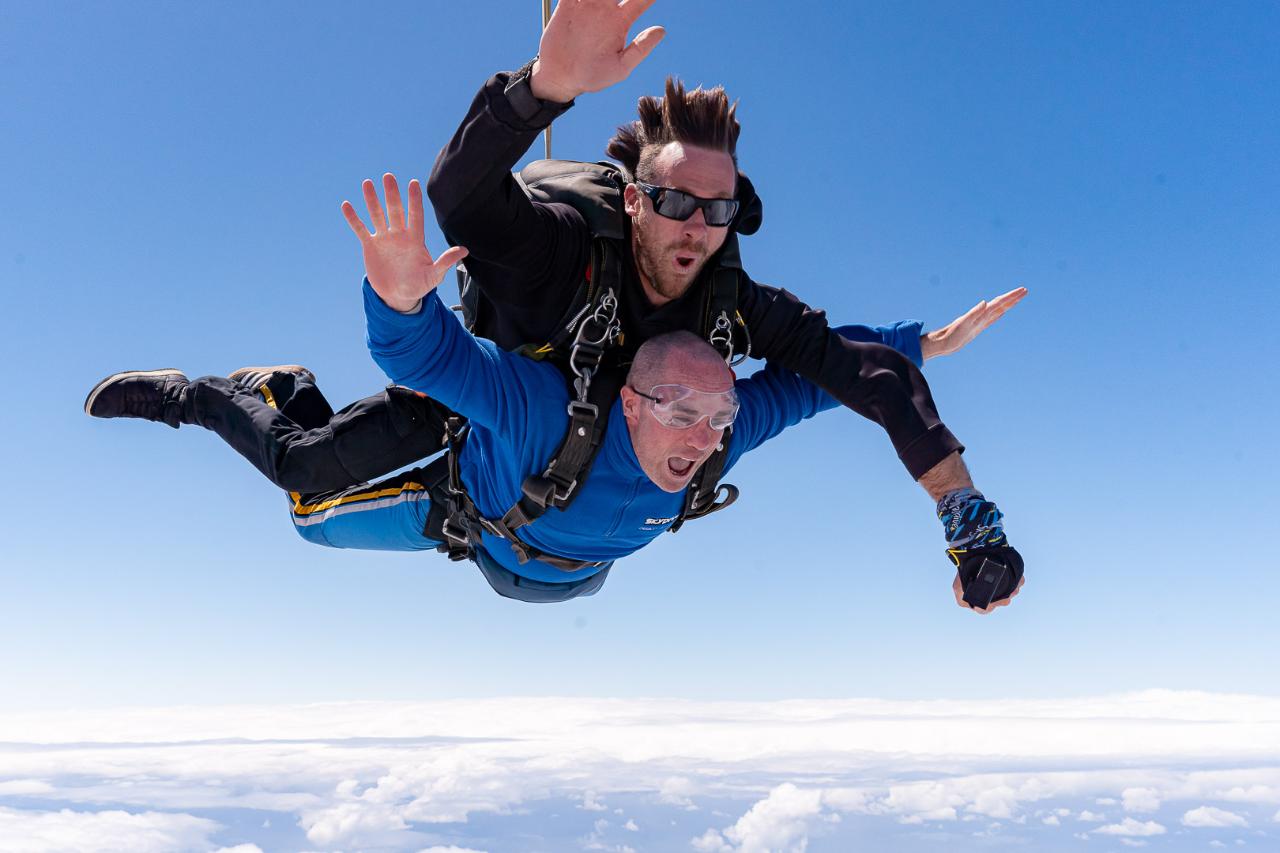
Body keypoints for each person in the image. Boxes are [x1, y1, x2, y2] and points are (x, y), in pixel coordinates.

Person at [86, 176, 1023, 610]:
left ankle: (287, 396)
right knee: (303, 495)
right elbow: (431, 358)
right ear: (628, 400)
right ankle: (215, 393)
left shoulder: (721, 434)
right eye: (686, 413)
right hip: (467, 496)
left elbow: (824, 381)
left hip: (533, 552)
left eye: (720, 415)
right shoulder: (545, 405)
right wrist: (397, 294)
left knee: (328, 487)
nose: (705, 437)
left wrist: (917, 347)